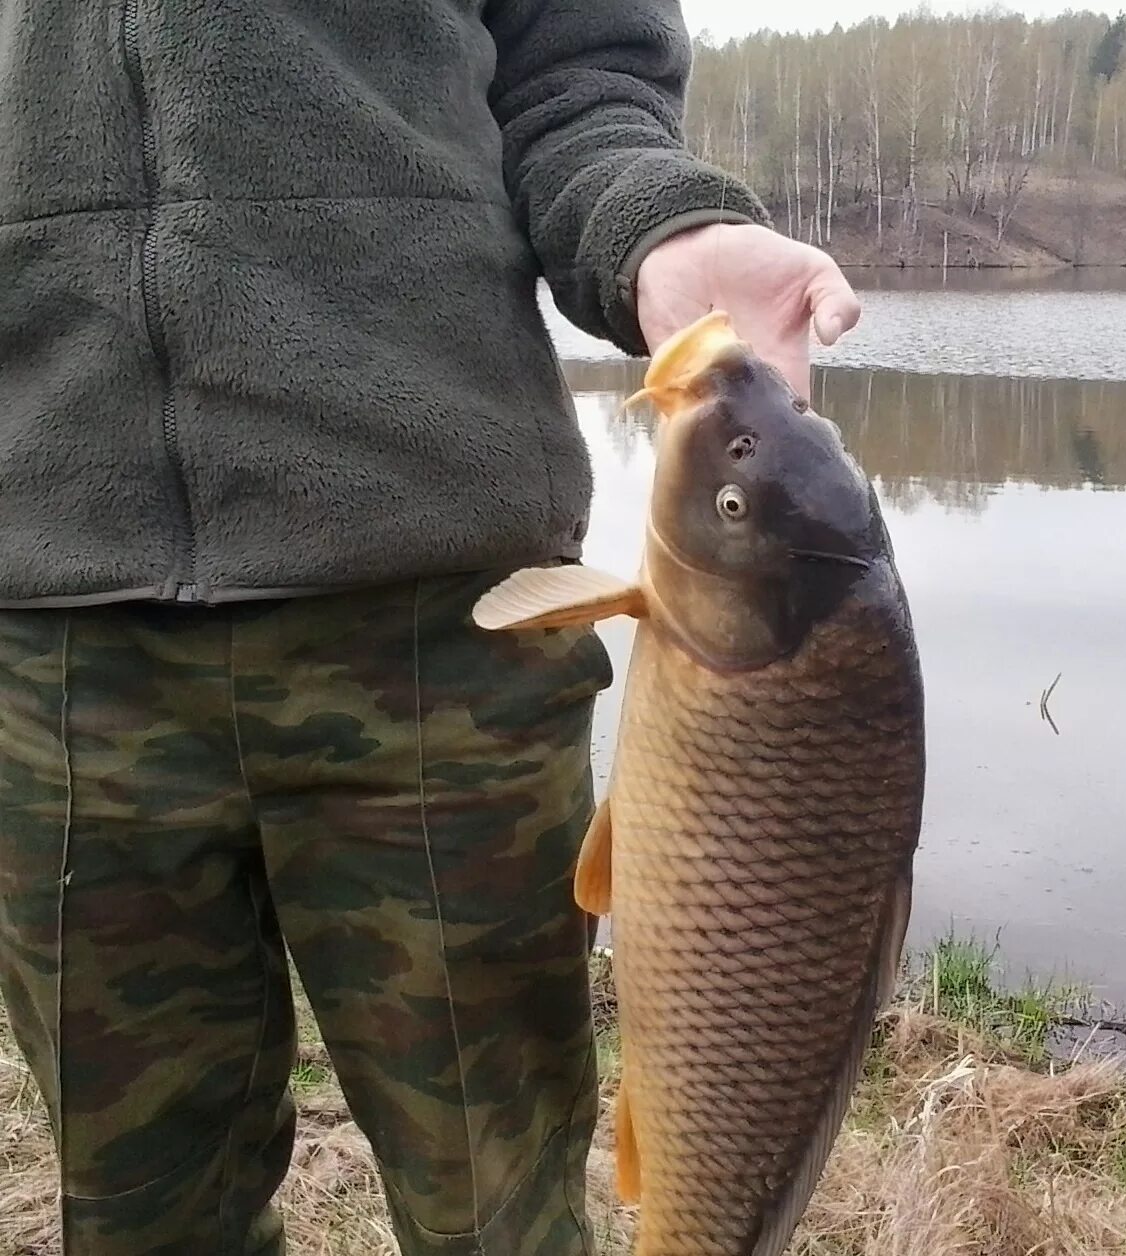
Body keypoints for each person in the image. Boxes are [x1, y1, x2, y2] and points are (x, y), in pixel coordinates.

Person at [0, 1, 859, 1253]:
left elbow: (581, 84)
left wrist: (656, 227)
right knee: (133, 1218)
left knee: (496, 1212)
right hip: (54, 635)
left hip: (436, 635)